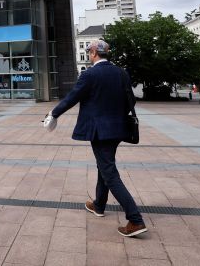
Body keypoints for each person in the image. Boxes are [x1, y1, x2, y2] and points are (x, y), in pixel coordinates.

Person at [47, 39, 147, 237]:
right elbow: (131, 99)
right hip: (119, 129)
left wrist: (54, 114)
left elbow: (72, 97)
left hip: (100, 131)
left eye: (88, 51)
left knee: (109, 172)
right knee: (105, 165)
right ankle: (99, 204)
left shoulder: (90, 74)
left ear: (93, 53)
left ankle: (135, 219)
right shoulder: (121, 73)